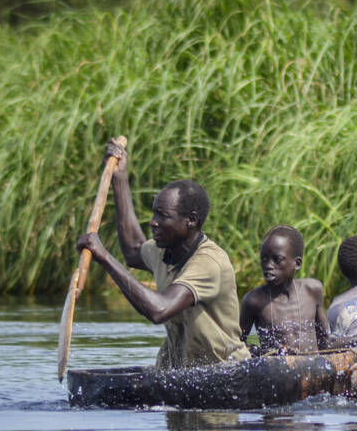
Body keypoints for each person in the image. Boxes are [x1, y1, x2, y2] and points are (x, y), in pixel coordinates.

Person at [75, 139, 251, 369]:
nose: (153, 223)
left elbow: (160, 310)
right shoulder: (163, 250)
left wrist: (105, 258)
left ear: (191, 220)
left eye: (163, 216)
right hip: (179, 371)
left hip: (225, 371)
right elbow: (134, 250)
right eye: (154, 214)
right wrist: (120, 179)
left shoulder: (209, 262)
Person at [239, 225, 357, 355]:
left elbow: (326, 345)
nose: (268, 266)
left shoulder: (312, 290)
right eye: (264, 259)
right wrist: (268, 354)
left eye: (277, 259)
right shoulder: (254, 301)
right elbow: (240, 348)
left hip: (313, 376)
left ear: (298, 263)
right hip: (278, 379)